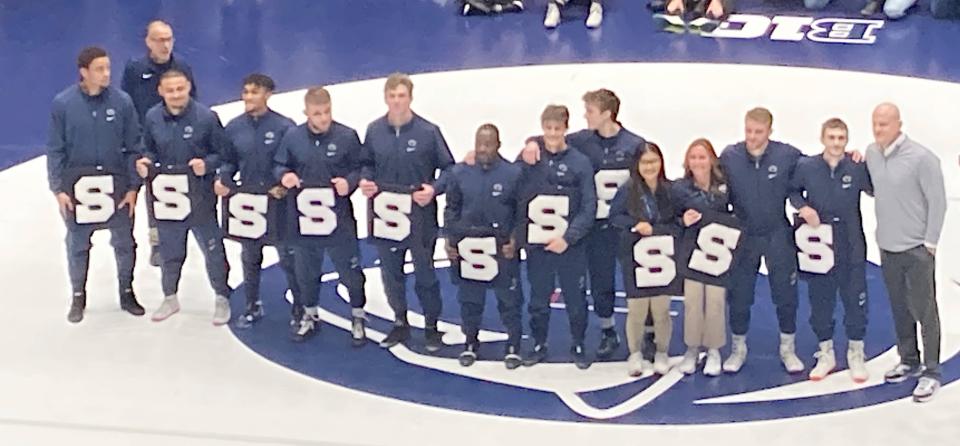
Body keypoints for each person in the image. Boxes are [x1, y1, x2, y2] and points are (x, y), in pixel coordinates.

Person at [47, 46, 144, 323]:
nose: (106, 74)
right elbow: (56, 148)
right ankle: (78, 295)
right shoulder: (63, 104)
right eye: (100, 69)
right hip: (79, 187)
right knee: (78, 243)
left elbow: (133, 147)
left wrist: (133, 187)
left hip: (116, 184)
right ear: (84, 72)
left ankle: (127, 291)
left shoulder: (123, 102)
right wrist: (58, 189)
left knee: (125, 242)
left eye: (108, 68)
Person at [359, 73, 454, 352]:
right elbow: (366, 164)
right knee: (391, 273)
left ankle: (431, 326)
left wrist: (434, 190)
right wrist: (365, 181)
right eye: (392, 96)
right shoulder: (374, 130)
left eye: (402, 96)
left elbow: (449, 169)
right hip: (385, 215)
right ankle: (400, 322)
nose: (397, 101)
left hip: (419, 216)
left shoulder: (428, 131)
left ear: (410, 98)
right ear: (385, 98)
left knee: (425, 273)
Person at [136, 69, 231, 325]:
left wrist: (208, 165)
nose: (176, 95)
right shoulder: (153, 117)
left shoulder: (207, 117)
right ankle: (170, 296)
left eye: (180, 89)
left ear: (189, 87)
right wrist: (146, 161)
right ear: (161, 91)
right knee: (169, 252)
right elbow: (148, 148)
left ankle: (222, 296)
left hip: (200, 198)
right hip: (168, 200)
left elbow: (224, 155)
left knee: (213, 250)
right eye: (170, 90)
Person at [274, 87, 368, 344]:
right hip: (304, 220)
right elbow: (279, 164)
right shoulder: (292, 137)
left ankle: (358, 315)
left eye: (327, 112)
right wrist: (285, 176)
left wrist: (350, 182)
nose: (323, 118)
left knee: (349, 270)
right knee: (306, 270)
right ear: (306, 113)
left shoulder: (347, 136)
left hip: (339, 220)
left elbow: (361, 167)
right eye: (317, 113)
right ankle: (310, 314)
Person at [865, 103, 946, 402]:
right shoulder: (872, 154)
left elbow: (938, 201)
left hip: (916, 249)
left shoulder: (922, 158)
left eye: (884, 123)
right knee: (899, 307)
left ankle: (932, 371)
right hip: (888, 246)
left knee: (925, 310)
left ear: (899, 124)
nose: (878, 129)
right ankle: (909, 359)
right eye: (875, 123)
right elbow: (876, 188)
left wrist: (930, 243)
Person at [719, 107, 804, 374]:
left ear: (770, 131)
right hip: (744, 234)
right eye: (748, 131)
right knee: (740, 293)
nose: (752, 137)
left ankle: (788, 347)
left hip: (778, 232)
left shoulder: (787, 155)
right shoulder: (730, 156)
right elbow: (716, 189)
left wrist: (849, 158)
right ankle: (738, 347)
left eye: (758, 132)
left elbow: (814, 172)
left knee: (785, 293)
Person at [790, 118, 872, 383]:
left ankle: (855, 352)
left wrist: (867, 161)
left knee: (854, 299)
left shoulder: (856, 166)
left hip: (850, 242)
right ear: (822, 138)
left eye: (841, 138)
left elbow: (875, 188)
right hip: (819, 244)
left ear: (846, 141)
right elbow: (792, 191)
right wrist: (803, 207)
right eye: (832, 138)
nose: (836, 143)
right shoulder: (807, 167)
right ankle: (825, 352)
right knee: (820, 300)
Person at [216, 73, 300, 328]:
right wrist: (224, 179)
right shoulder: (233, 127)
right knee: (250, 255)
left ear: (268, 94)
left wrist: (283, 185)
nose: (249, 97)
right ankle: (252, 305)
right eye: (246, 92)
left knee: (288, 256)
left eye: (254, 92)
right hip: (248, 201)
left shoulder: (285, 126)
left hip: (277, 201)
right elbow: (227, 160)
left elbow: (292, 163)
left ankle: (300, 307)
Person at [516, 105, 597, 369]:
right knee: (539, 297)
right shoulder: (529, 157)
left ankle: (578, 343)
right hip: (538, 244)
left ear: (565, 128)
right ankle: (539, 343)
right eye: (547, 129)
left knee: (576, 297)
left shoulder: (579, 162)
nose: (552, 134)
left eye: (557, 128)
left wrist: (569, 238)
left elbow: (589, 206)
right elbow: (511, 187)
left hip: (570, 247)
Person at [567, 89, 646, 360]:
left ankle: (646, 328)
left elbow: (650, 180)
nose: (585, 116)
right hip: (598, 226)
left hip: (627, 225)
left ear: (607, 114)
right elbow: (548, 142)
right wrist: (532, 145)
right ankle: (607, 330)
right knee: (601, 279)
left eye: (590, 111)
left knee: (637, 277)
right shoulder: (581, 141)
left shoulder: (635, 145)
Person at [444, 124, 524, 369]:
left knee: (509, 300)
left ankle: (513, 345)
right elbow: (451, 208)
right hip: (469, 247)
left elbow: (522, 212)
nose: (482, 149)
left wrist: (516, 239)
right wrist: (450, 240)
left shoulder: (513, 173)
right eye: (479, 143)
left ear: (498, 144)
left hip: (500, 248)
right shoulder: (460, 173)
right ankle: (470, 342)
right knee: (469, 299)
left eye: (488, 144)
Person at [122, 19, 198, 267]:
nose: (164, 45)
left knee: (173, 187)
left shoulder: (182, 66)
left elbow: (193, 103)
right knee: (147, 190)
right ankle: (155, 241)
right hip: (144, 140)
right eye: (159, 40)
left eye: (168, 39)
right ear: (148, 42)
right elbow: (127, 104)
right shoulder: (135, 69)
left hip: (174, 139)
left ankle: (179, 238)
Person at [609, 143, 677, 376]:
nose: (650, 167)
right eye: (645, 162)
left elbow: (677, 219)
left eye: (654, 161)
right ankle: (635, 353)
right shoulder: (628, 191)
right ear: (637, 165)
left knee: (661, 309)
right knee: (636, 309)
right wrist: (634, 225)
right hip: (635, 258)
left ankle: (661, 352)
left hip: (663, 258)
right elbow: (614, 217)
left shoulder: (669, 190)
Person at [672, 138, 731, 376]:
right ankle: (692, 349)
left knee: (715, 301)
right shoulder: (679, 188)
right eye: (693, 157)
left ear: (711, 160)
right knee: (693, 302)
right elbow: (669, 219)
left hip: (718, 255)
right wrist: (681, 221)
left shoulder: (725, 186)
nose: (698, 162)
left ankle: (714, 350)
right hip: (691, 253)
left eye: (702, 157)